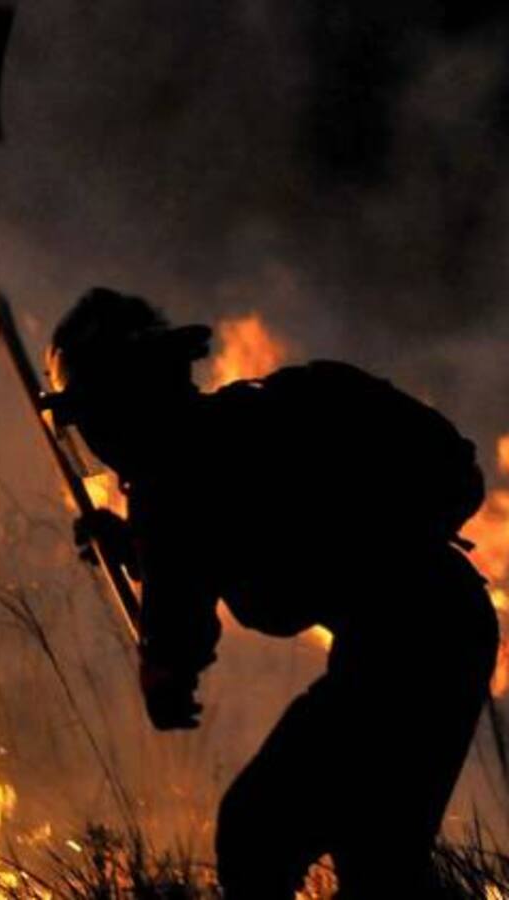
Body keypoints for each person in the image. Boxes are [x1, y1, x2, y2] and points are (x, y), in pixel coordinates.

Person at [46, 287, 499, 898]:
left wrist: (165, 673)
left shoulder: (172, 477)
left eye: (91, 415)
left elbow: (184, 619)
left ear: (121, 403)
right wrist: (137, 549)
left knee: (260, 833)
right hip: (446, 628)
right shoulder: (234, 429)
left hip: (405, 649)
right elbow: (245, 547)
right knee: (378, 859)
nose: (94, 436)